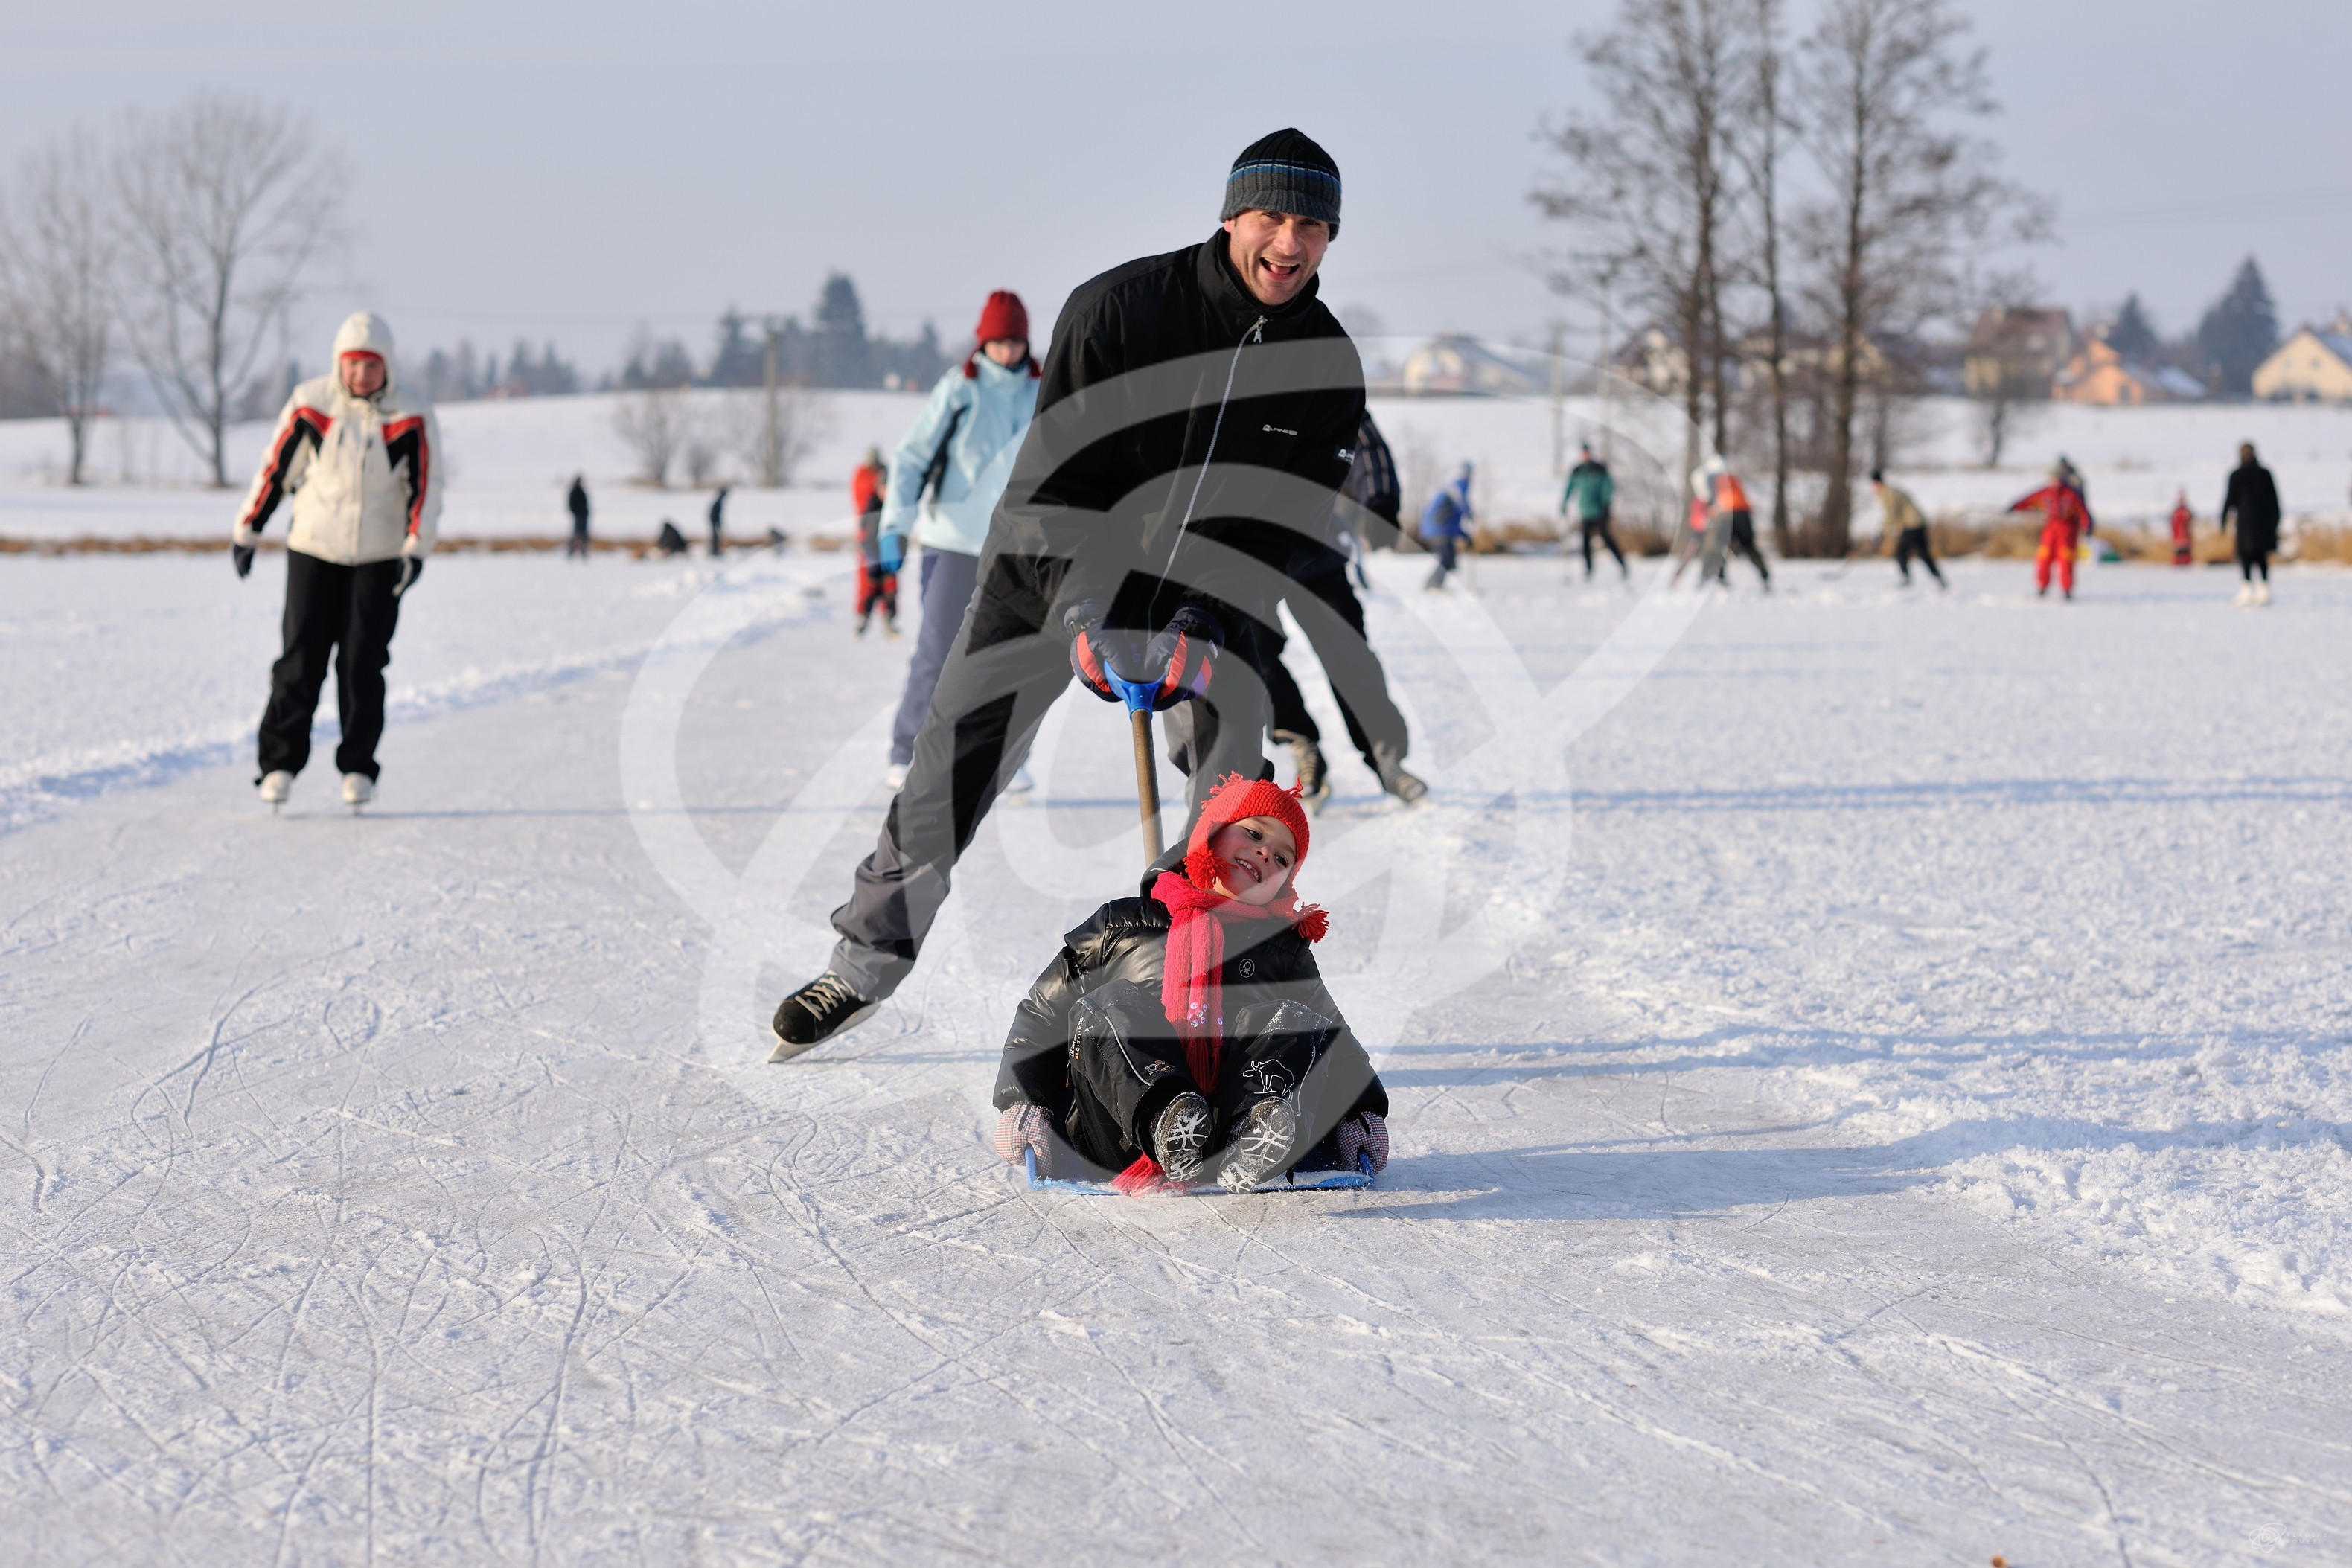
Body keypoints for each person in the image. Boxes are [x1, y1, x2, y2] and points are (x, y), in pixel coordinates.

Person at [770, 127, 1365, 1055]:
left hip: (1196, 596)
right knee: (949, 761)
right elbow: (1056, 490)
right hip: (1045, 577)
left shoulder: (1326, 366)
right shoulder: (1120, 312)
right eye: (1272, 217)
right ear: (1230, 217)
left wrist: (1202, 616)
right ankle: (862, 965)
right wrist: (1086, 613)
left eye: (1313, 226)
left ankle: (1188, 972)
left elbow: (1277, 530)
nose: (1289, 245)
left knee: (1235, 788)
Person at [990, 773, 1389, 1193]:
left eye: (1283, 858)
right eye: (1253, 832)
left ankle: (1256, 1133)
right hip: (1121, 1136)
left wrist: (1358, 1113)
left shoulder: (1283, 952)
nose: (1265, 853)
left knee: (1292, 1021)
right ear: (1211, 834)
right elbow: (1044, 1012)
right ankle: (1168, 1120)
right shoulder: (1121, 926)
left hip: (1241, 1138)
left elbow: (1333, 1039)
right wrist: (1026, 1099)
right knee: (1108, 1006)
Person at [231, 311, 439, 812]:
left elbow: (426, 488)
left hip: (380, 554)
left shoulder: (409, 413)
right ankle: (278, 762)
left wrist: (416, 548)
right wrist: (249, 527)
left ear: (385, 366)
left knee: (362, 662)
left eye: (370, 366)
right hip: (314, 548)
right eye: (351, 365)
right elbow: (276, 469)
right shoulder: (312, 404)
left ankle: (358, 765)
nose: (360, 376)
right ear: (338, 364)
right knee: (300, 658)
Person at [878, 290, 1044, 791]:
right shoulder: (960, 389)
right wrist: (894, 526)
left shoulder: (1042, 391)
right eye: (998, 343)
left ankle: (1006, 760)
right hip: (954, 541)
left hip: (1018, 547)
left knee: (1015, 657)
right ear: (983, 342)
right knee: (938, 651)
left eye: (1015, 342)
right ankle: (906, 749)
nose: (1008, 352)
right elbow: (911, 460)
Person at [1261, 408, 1425, 811]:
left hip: (1317, 547)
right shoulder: (1223, 371)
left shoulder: (1312, 367)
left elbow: (1363, 437)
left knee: (1348, 653)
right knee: (1257, 656)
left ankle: (1386, 757)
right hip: (1249, 554)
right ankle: (1300, 741)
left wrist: (1380, 502)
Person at [2010, 464, 2094, 601]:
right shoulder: (2045, 493)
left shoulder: (2071, 495)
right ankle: (2042, 587)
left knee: (2066, 560)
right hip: (2050, 530)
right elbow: (2029, 500)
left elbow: (2083, 512)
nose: (2054, 481)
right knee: (2044, 558)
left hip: (2067, 531)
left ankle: (2067, 590)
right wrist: (2014, 506)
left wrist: (2088, 525)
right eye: (2052, 478)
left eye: (2057, 478)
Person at [1693, 456, 1769, 589]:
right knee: (1749, 546)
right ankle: (1765, 577)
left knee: (1715, 546)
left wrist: (1706, 517)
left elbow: (1707, 498)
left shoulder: (1712, 478)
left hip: (1726, 514)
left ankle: (1711, 578)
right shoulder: (1732, 479)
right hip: (1744, 514)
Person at [2219, 442, 2281, 607]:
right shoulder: (2264, 473)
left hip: (2246, 524)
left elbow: (2229, 500)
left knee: (2247, 555)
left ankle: (2250, 590)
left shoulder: (2237, 474)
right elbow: (2275, 501)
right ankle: (2262, 589)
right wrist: (2275, 521)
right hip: (2263, 523)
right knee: (2260, 556)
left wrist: (2223, 520)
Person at [1870, 469, 1945, 589]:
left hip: (1912, 525)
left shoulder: (1887, 494)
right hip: (1918, 523)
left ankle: (1906, 579)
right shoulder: (1891, 491)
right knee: (1923, 554)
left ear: (1876, 483)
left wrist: (1882, 533)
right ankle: (1939, 579)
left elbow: (1891, 515)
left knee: (1901, 551)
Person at [1562, 442, 1626, 580]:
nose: (1585, 455)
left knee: (1606, 537)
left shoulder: (1599, 469)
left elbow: (1608, 488)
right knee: (1585, 541)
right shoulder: (1577, 471)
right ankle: (1589, 569)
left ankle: (1622, 563)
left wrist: (1606, 504)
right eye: (1583, 453)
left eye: (1587, 452)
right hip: (1585, 511)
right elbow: (1570, 488)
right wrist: (1564, 503)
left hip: (1600, 510)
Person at [851, 449, 898, 636]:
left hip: (886, 545)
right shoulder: (863, 480)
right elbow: (861, 495)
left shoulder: (889, 501)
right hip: (870, 544)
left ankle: (888, 617)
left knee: (889, 582)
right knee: (868, 581)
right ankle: (864, 617)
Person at [1419, 462, 1473, 591]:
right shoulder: (1457, 489)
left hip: (1438, 528)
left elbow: (1453, 521)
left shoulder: (1453, 488)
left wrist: (1464, 535)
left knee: (1449, 558)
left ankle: (1434, 584)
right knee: (1446, 557)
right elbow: (1462, 508)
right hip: (1438, 529)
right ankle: (1433, 585)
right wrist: (1469, 515)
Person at [566, 474, 590, 559]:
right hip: (578, 516)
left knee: (584, 535)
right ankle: (571, 552)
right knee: (576, 534)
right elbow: (571, 504)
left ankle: (584, 552)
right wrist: (576, 513)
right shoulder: (574, 491)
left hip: (584, 515)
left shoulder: (581, 491)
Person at [2170, 490, 2194, 568]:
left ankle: (2186, 564)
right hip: (2179, 537)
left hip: (2185, 536)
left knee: (2186, 552)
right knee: (2179, 552)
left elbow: (2191, 520)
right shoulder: (2176, 512)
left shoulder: (2186, 511)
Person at [707, 484, 729, 558]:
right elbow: (717, 514)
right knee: (715, 536)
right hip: (714, 520)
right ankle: (714, 551)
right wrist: (718, 524)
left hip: (713, 520)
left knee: (715, 536)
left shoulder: (718, 500)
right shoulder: (719, 502)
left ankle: (715, 550)